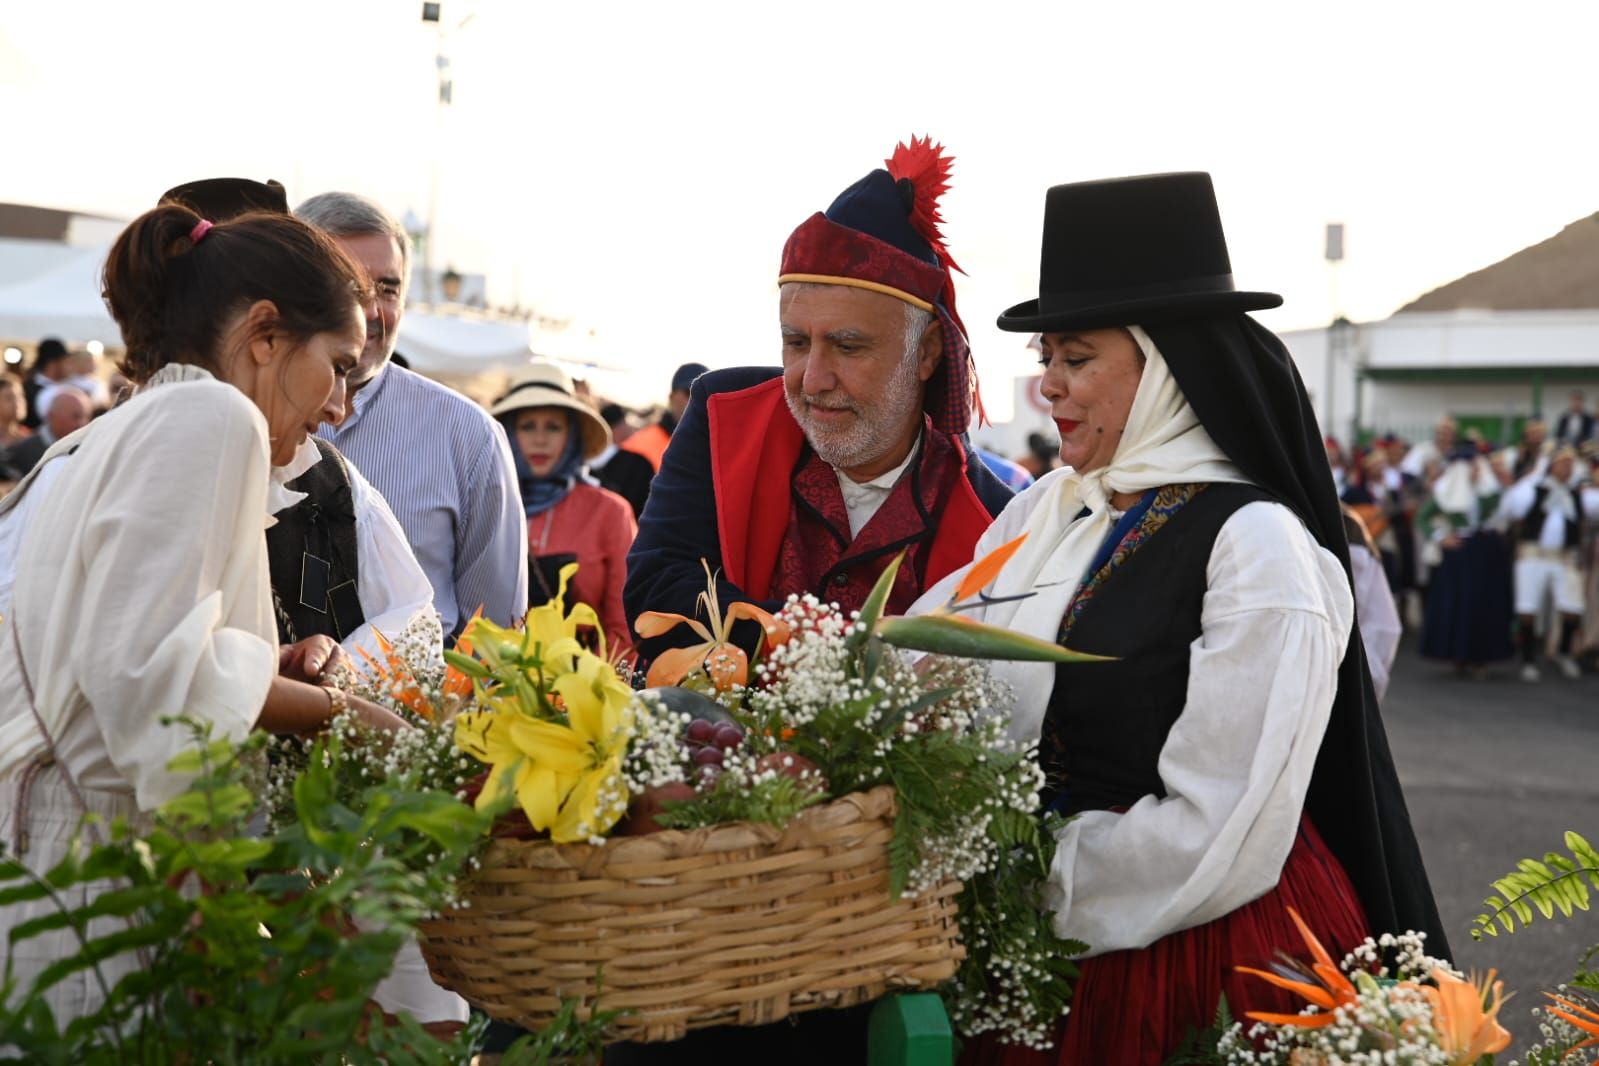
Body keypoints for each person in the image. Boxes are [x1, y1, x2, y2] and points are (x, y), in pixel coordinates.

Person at [911, 172, 1445, 1066]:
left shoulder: (1256, 546)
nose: (1048, 386)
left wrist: (1017, 883)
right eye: (1046, 358)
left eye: (1076, 359)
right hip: (1025, 939)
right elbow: (931, 663)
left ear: (1165, 367)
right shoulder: (1045, 513)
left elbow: (1219, 824)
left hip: (1191, 952)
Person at [0, 203, 410, 1023]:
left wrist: (257, 667)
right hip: (92, 857)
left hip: (62, 845)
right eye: (337, 365)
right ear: (264, 335)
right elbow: (145, 675)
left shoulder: (115, 432)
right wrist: (343, 713)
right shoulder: (209, 415)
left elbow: (121, 649)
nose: (339, 406)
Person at [624, 136, 1012, 670]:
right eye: (796, 343)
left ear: (925, 355)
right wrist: (831, 655)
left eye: (848, 346)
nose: (812, 379)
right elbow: (655, 586)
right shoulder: (722, 414)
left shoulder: (993, 516)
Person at [295, 191, 527, 639]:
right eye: (346, 286)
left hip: (417, 706)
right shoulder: (245, 418)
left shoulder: (469, 436)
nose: (370, 311)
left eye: (388, 288)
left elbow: (495, 635)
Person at [490, 363, 638, 658]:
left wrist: (587, 690)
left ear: (572, 437)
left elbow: (623, 625)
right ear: (508, 434)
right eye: (527, 426)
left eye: (553, 427)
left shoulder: (609, 512)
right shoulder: (486, 504)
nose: (540, 439)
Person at [1417, 442, 1514, 675]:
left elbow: (1502, 509)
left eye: (1477, 464)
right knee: (1461, 604)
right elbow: (1423, 518)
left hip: (1488, 551)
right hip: (1462, 553)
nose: (1475, 469)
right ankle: (1459, 654)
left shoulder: (1489, 490)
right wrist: (1441, 537)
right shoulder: (1445, 491)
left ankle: (1482, 656)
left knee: (1486, 604)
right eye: (1470, 465)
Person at [1503, 446, 1599, 681]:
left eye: (1569, 464)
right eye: (1561, 463)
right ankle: (1527, 659)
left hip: (1563, 558)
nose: (1566, 468)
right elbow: (1511, 508)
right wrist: (1533, 478)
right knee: (1528, 609)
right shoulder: (1534, 489)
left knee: (1572, 608)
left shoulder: (1577, 494)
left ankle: (1564, 652)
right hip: (1533, 555)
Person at [621, 362, 706, 473]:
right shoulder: (642, 443)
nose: (696, 401)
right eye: (688, 393)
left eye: (703, 397)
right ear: (671, 397)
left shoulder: (709, 450)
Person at [2, 386, 90, 477]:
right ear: (52, 415)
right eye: (76, 416)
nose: (82, 423)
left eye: (86, 416)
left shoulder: (87, 450)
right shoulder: (22, 452)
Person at [591, 400, 655, 518]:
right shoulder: (638, 464)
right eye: (626, 422)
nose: (631, 427)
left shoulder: (583, 456)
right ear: (617, 428)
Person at [20, 337, 70, 430]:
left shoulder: (29, 385)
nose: (69, 366)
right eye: (66, 361)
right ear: (53, 364)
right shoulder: (33, 390)